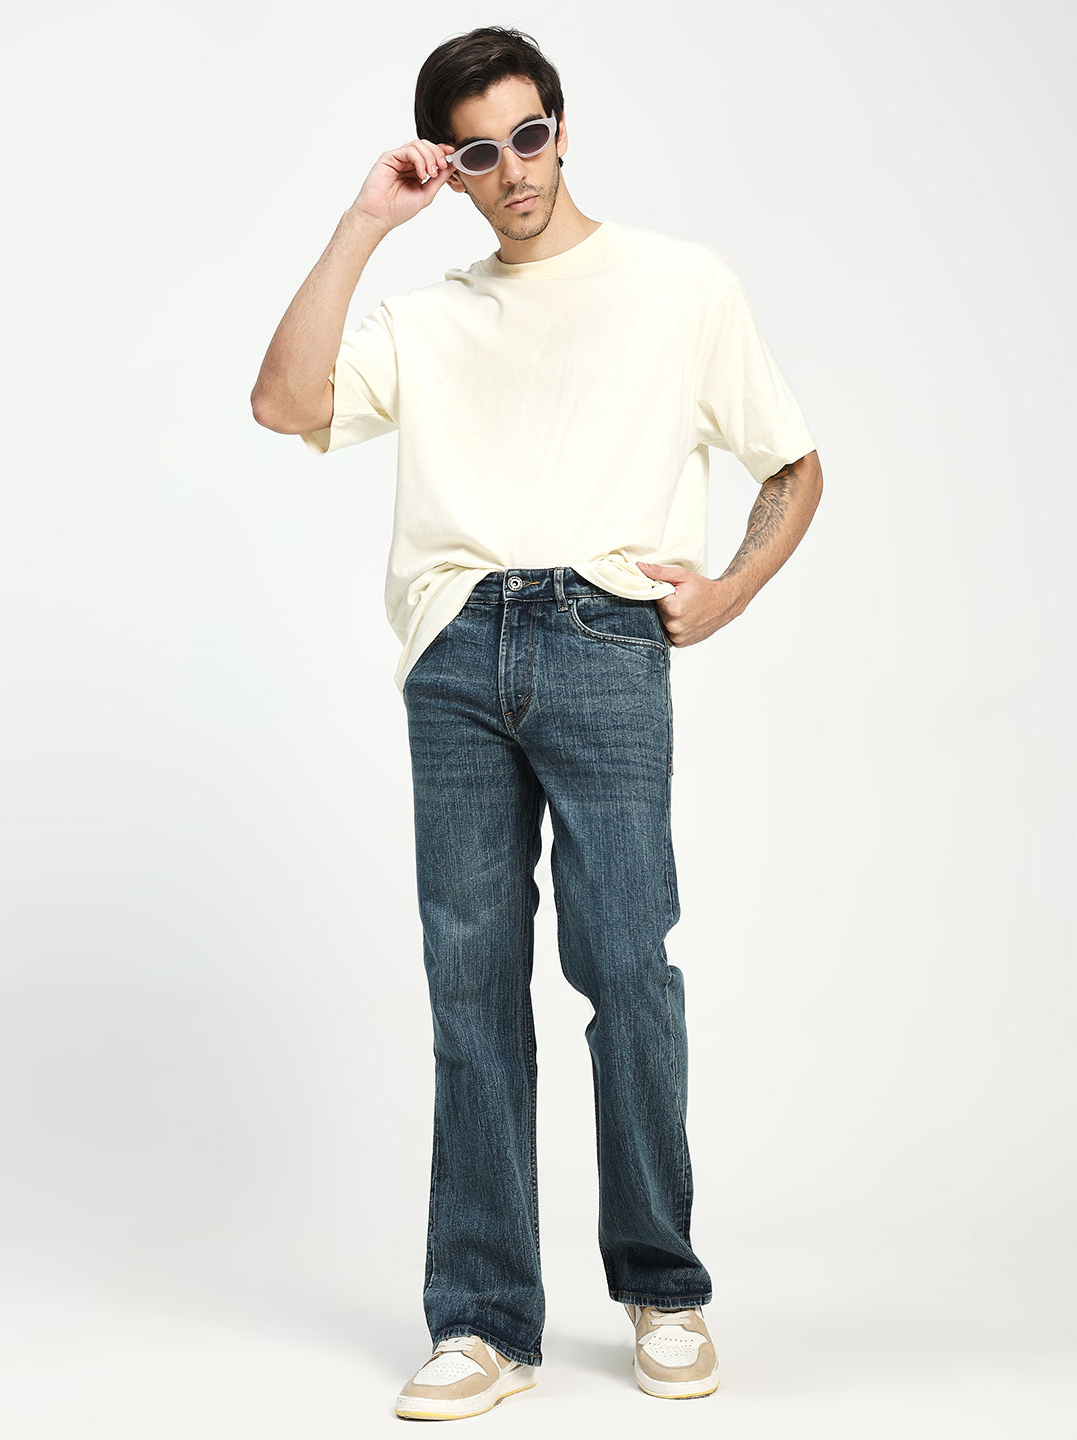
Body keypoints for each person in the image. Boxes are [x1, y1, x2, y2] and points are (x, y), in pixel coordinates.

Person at [251, 24, 822, 1422]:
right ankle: (486, 1317)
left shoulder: (680, 285)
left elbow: (794, 464)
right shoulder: (431, 317)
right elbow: (282, 402)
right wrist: (363, 225)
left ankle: (664, 1290)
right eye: (476, 151)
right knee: (471, 994)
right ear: (448, 168)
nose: (510, 169)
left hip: (605, 636)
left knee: (628, 971)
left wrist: (731, 593)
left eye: (528, 135)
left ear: (564, 131)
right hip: (456, 650)